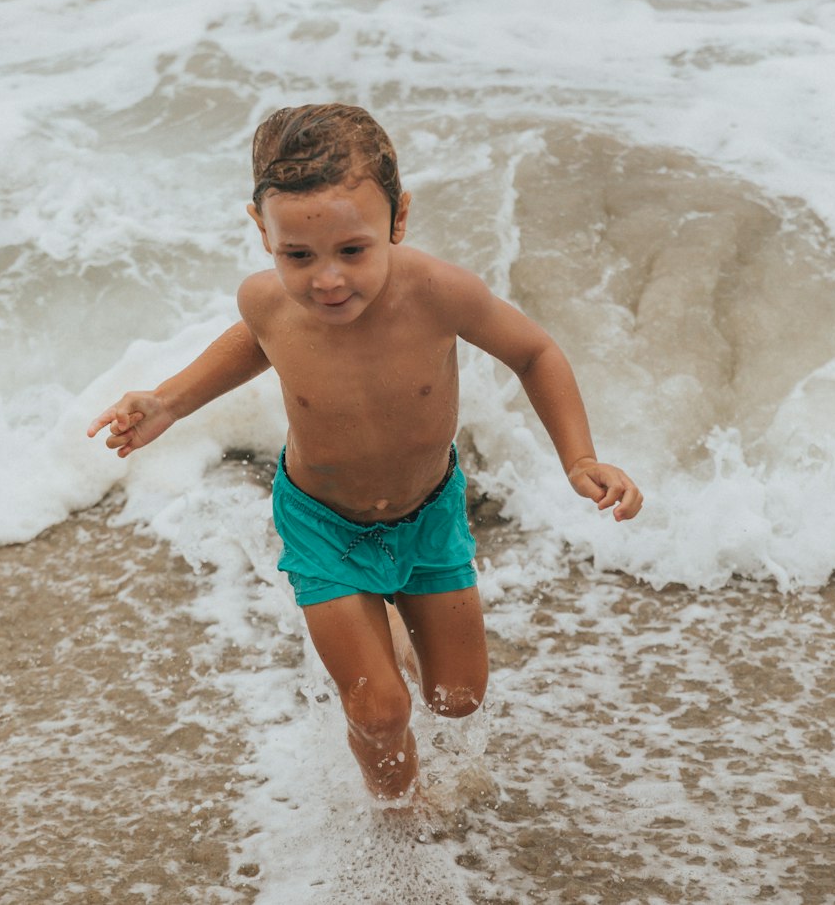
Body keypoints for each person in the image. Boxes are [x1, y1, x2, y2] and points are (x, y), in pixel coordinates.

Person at [87, 104, 642, 802]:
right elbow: (247, 346)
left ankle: (394, 627)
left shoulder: (439, 294)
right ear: (264, 232)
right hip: (325, 526)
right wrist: (165, 402)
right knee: (380, 711)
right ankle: (399, 818)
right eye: (299, 255)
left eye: (353, 251)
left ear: (397, 220)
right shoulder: (270, 303)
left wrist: (579, 458)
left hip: (428, 514)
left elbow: (535, 352)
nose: (327, 280)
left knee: (457, 697)